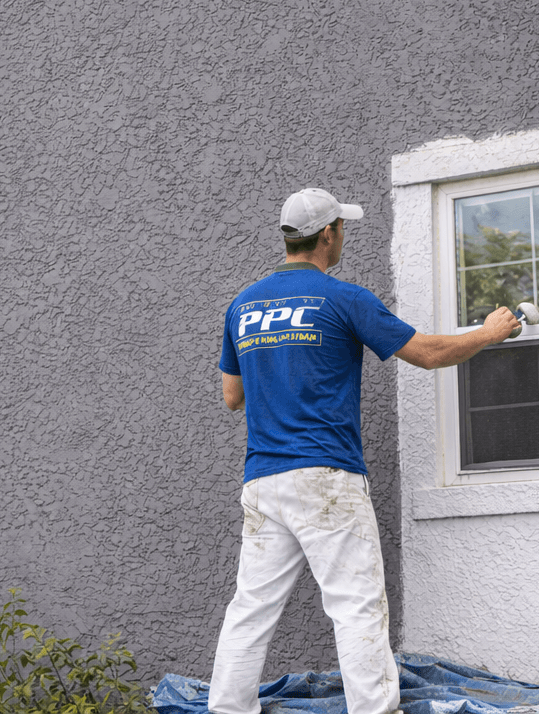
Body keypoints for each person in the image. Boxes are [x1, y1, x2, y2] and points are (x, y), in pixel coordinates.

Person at [209, 187, 522, 714]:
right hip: (326, 477)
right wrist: (488, 333)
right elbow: (425, 354)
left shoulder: (243, 305)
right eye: (342, 228)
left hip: (263, 480)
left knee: (251, 608)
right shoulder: (343, 299)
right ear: (328, 233)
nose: (344, 236)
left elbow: (232, 397)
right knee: (356, 607)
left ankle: (226, 709)